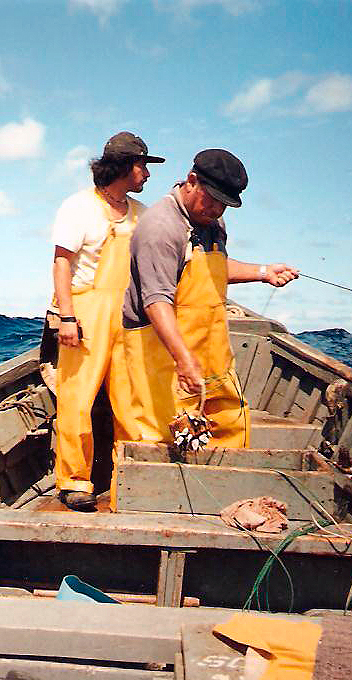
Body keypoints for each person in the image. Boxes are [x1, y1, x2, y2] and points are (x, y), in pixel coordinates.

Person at [121, 149, 298, 454]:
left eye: (225, 205)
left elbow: (211, 268)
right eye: (212, 200)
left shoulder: (211, 222)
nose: (217, 210)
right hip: (161, 356)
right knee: (162, 442)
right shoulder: (161, 227)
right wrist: (183, 359)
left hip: (211, 354)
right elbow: (156, 300)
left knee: (231, 432)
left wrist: (263, 272)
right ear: (191, 181)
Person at [50, 132, 165, 511]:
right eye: (142, 166)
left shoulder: (143, 214)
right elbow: (62, 263)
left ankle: (131, 481)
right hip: (85, 311)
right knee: (77, 398)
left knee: (131, 399)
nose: (147, 174)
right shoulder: (78, 208)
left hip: (129, 315)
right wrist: (67, 317)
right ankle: (74, 480)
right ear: (121, 168)